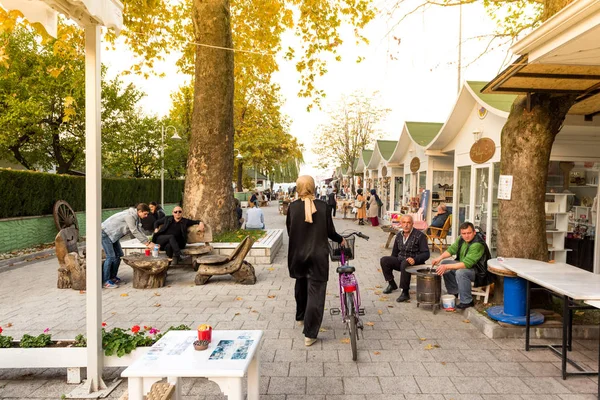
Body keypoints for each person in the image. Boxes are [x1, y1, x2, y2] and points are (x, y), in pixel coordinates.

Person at [287, 175, 346, 347]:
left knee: (300, 283)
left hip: (298, 255)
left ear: (298, 188)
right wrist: (340, 239)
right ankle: (310, 333)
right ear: (313, 187)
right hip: (318, 256)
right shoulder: (324, 206)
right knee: (316, 293)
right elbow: (330, 232)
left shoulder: (292, 207)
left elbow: (290, 231)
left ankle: (300, 316)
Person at [431, 222, 493, 309]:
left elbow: (466, 264)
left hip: (480, 272)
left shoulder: (477, 244)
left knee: (461, 272)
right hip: (467, 266)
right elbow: (451, 250)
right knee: (445, 263)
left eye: (469, 233)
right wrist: (439, 258)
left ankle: (467, 301)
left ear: (474, 232)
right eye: (464, 233)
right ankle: (454, 292)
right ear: (461, 233)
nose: (466, 236)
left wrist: (446, 267)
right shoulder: (461, 239)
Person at [101, 203, 153, 289]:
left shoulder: (136, 217)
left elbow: (139, 230)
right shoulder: (129, 216)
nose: (146, 216)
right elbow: (134, 231)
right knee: (111, 257)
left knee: (120, 255)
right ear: (139, 211)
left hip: (113, 235)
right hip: (105, 233)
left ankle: (113, 277)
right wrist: (147, 244)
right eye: (145, 214)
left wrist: (148, 241)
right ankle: (106, 281)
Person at [380, 215, 430, 302]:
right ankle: (391, 284)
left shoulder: (420, 236)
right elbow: (394, 253)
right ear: (401, 224)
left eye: (408, 223)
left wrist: (415, 259)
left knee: (405, 263)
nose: (406, 225)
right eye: (404, 222)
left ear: (412, 224)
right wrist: (392, 262)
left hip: (415, 262)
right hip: (401, 260)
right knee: (384, 260)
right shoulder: (399, 235)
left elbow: (426, 254)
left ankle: (405, 292)